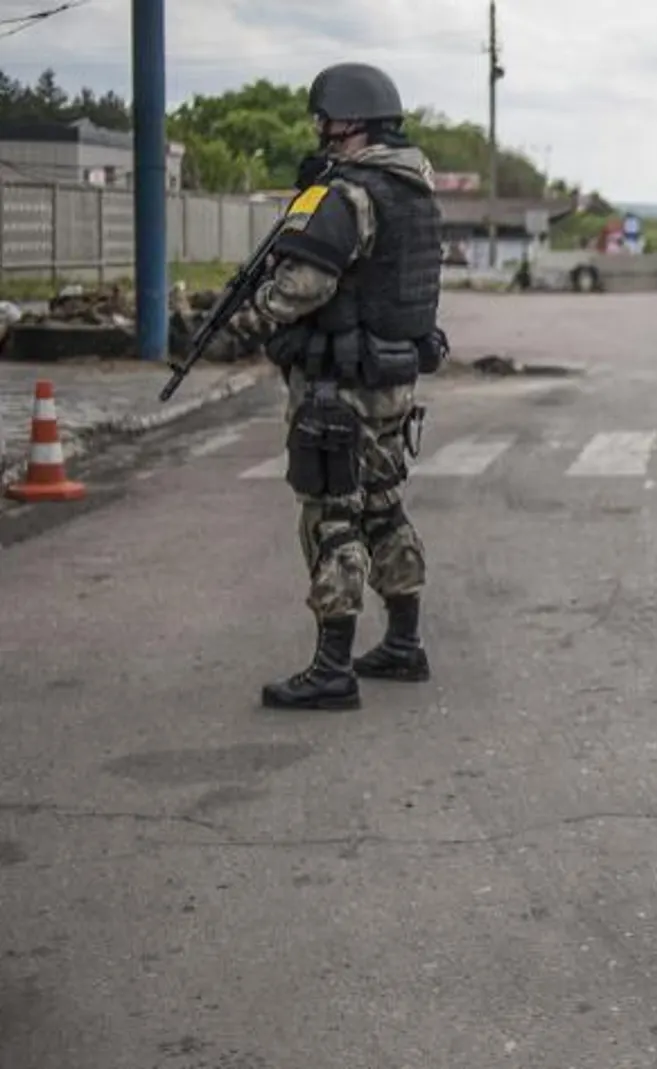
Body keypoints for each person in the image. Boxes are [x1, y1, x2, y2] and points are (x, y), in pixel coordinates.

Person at [251, 61, 447, 712]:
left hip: (339, 386)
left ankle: (332, 667)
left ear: (349, 122)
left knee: (332, 514)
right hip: (392, 377)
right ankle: (403, 641)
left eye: (325, 120)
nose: (319, 131)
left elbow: (305, 286)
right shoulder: (414, 190)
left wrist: (259, 313)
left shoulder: (349, 193)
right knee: (384, 503)